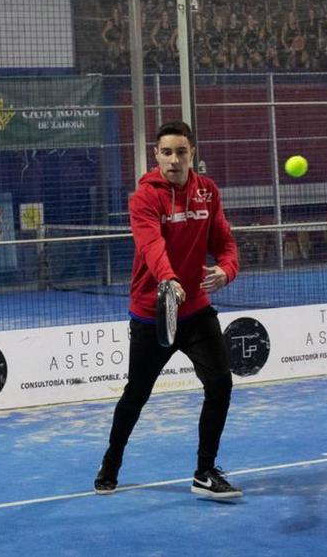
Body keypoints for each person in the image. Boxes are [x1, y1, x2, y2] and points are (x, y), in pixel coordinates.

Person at [95, 121, 243, 499]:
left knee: (220, 384)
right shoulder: (144, 198)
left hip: (195, 310)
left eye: (181, 151)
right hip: (152, 313)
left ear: (193, 153)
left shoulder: (207, 192)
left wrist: (227, 271)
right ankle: (111, 463)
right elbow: (150, 244)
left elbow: (225, 242)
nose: (174, 159)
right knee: (136, 394)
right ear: (156, 155)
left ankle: (205, 472)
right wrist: (167, 279)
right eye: (167, 152)